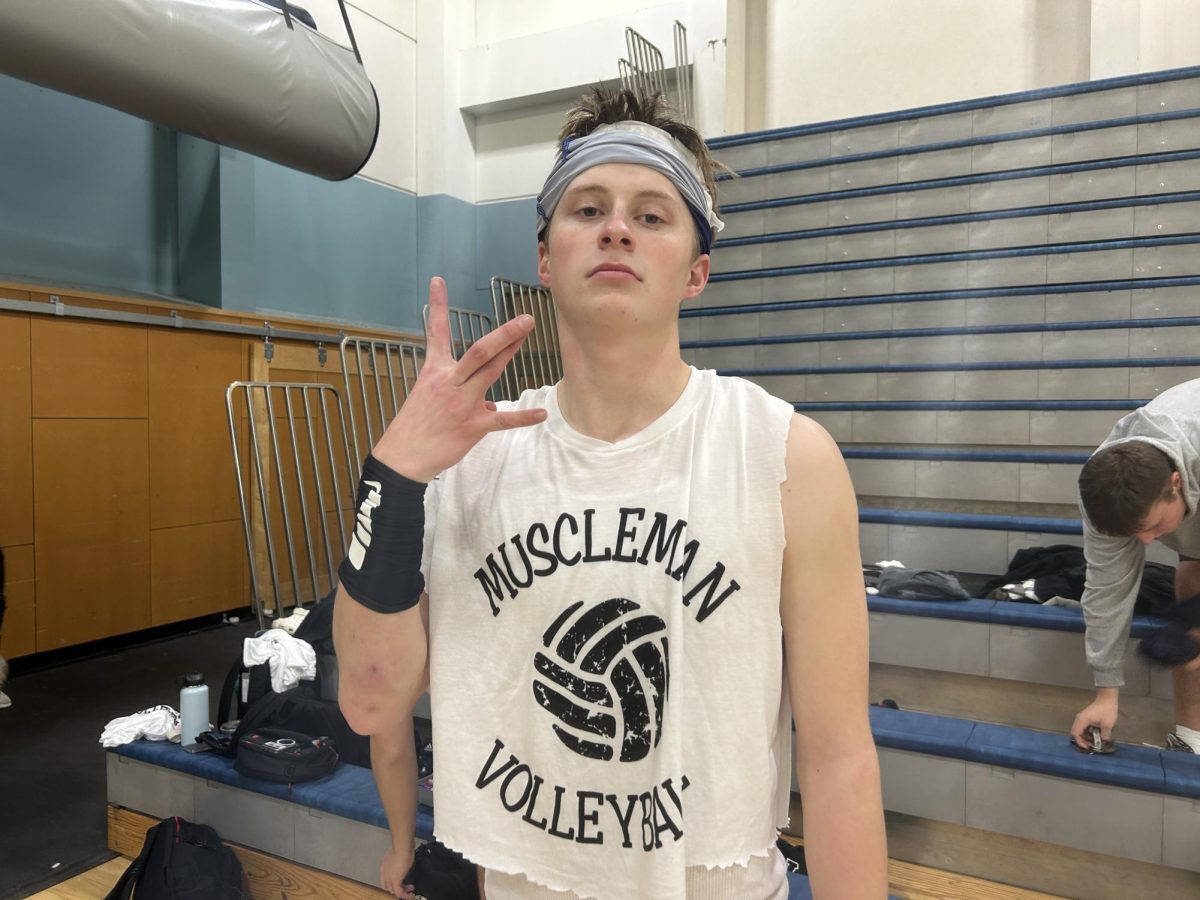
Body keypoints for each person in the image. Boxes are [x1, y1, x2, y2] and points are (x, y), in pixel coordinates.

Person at [334, 87, 887, 899]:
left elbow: (839, 757)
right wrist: (393, 473)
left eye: (653, 215)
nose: (617, 227)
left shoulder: (783, 456)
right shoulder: (468, 461)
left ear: (697, 272)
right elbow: (368, 703)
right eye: (588, 208)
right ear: (546, 260)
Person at [1071, 377, 1200, 754]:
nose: (1147, 542)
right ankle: (1193, 739)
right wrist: (1105, 694)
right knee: (1190, 588)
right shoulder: (1104, 484)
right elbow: (1107, 589)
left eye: (1152, 527)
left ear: (1175, 484)